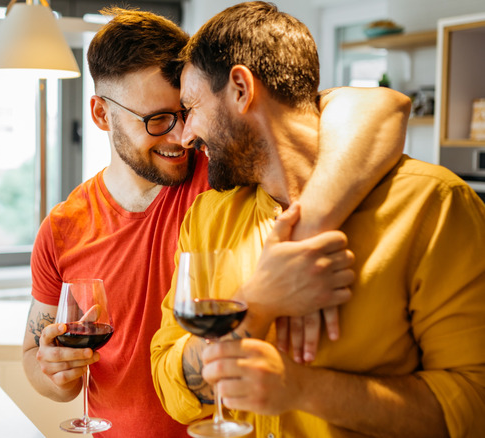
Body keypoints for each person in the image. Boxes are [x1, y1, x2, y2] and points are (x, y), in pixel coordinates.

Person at [24, 7, 411, 437]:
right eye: (158, 120)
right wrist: (55, 373)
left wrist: (311, 225)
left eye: (186, 111)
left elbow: (381, 105)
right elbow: (35, 358)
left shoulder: (223, 174)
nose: (182, 136)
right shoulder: (62, 227)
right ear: (100, 115)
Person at [150, 2, 485, 437]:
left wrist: (304, 390)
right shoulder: (207, 218)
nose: (186, 135)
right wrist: (256, 304)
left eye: (191, 107)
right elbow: (169, 385)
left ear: (240, 88)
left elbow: (473, 408)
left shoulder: (435, 205)